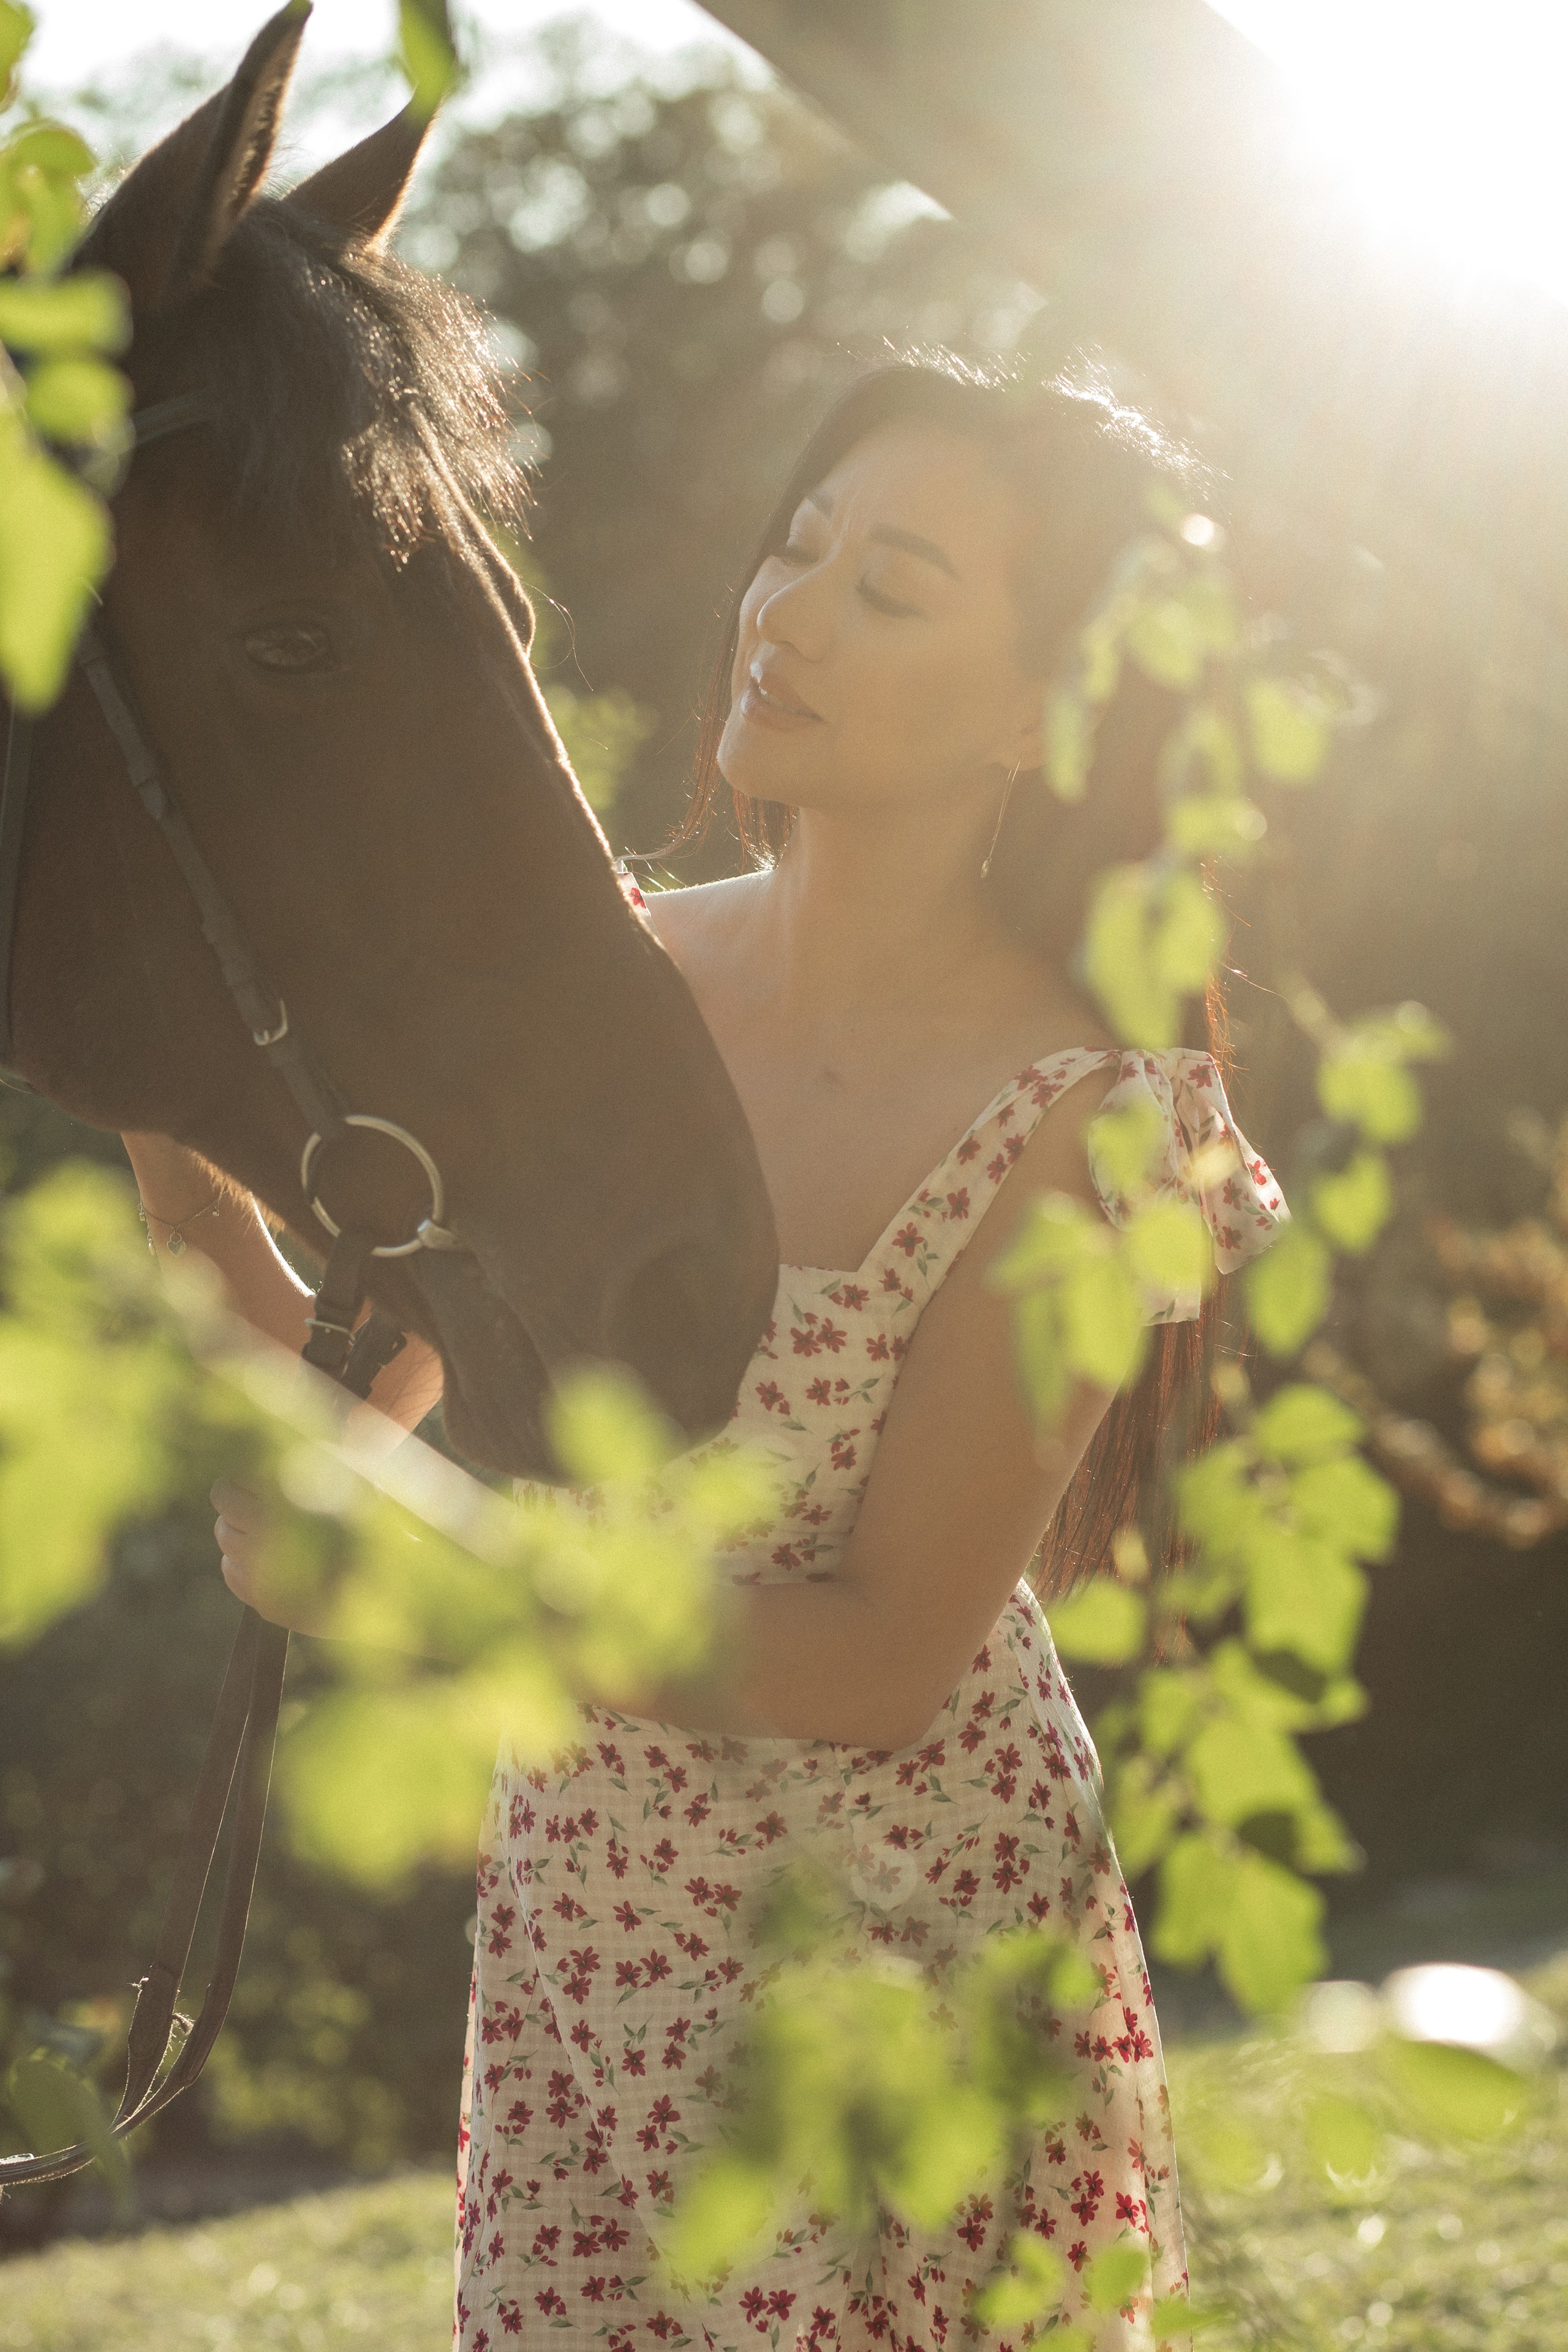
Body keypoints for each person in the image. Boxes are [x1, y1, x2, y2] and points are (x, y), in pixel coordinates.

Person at [133, 356, 1286, 2351]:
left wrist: (443, 1571)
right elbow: (310, 1498)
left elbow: (874, 1654)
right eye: (801, 545)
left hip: (903, 1966)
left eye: (894, 589)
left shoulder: (1099, 1125)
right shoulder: (602, 986)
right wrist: (155, 1101)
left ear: (1044, 713)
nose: (792, 609)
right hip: (591, 1932)